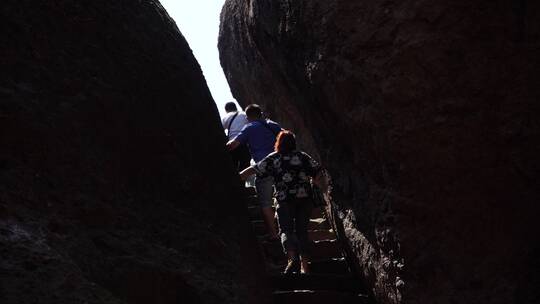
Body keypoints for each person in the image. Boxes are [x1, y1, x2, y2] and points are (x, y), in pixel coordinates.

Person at [240, 130, 324, 274]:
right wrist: (315, 184)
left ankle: (292, 259)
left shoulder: (274, 158)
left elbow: (255, 169)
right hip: (305, 199)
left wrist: (239, 176)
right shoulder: (302, 156)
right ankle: (305, 266)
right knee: (302, 231)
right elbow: (318, 170)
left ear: (278, 143)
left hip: (284, 199)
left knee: (286, 229)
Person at [227, 104, 282, 240]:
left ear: (247, 117)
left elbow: (233, 145)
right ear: (261, 113)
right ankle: (287, 229)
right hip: (280, 167)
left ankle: (274, 234)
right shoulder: (273, 124)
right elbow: (288, 136)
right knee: (282, 198)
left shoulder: (249, 127)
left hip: (262, 169)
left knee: (265, 203)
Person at [221, 102, 250, 171]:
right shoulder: (244, 114)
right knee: (246, 165)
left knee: (235, 166)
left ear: (226, 110)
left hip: (232, 144)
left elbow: (220, 129)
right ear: (235, 107)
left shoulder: (225, 117)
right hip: (245, 143)